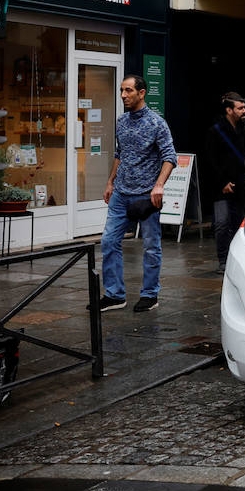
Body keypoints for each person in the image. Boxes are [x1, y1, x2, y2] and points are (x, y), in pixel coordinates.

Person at [97, 75, 176, 313]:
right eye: (122, 90)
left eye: (128, 91)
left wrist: (159, 186)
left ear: (141, 93)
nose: (123, 95)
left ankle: (150, 294)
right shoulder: (121, 121)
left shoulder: (156, 123)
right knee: (109, 241)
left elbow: (169, 157)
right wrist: (110, 182)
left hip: (146, 195)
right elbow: (120, 154)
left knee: (151, 246)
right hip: (121, 192)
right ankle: (114, 294)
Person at [203, 91, 245, 268]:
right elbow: (210, 160)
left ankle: (236, 261)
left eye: (244, 107)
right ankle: (223, 260)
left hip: (243, 185)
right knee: (221, 223)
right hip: (221, 187)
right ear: (229, 110)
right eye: (240, 108)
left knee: (239, 225)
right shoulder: (215, 131)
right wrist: (222, 183)